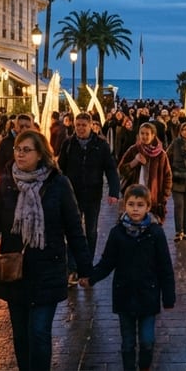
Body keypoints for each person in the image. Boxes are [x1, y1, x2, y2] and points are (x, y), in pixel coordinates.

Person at [0, 129, 92, 371]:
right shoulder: (6, 183)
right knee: (21, 335)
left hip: (48, 267)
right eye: (17, 149)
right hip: (15, 271)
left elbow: (74, 229)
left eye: (27, 150)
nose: (20, 154)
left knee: (38, 332)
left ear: (40, 154)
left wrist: (85, 268)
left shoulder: (58, 184)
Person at [86, 184, 175, 371]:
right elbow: (107, 263)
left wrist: (168, 297)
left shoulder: (155, 233)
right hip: (124, 296)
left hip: (148, 295)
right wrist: (91, 278)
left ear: (148, 207)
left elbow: (165, 267)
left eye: (140, 205)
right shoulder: (117, 233)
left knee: (147, 341)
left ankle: (144, 367)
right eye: (131, 204)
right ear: (124, 205)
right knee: (127, 343)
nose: (135, 209)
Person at [58, 112, 120, 285]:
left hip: (93, 194)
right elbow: (60, 168)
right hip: (72, 195)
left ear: (91, 125)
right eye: (77, 125)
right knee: (72, 230)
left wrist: (114, 191)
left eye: (83, 125)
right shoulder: (68, 144)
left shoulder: (100, 145)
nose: (80, 128)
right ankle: (71, 268)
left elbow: (110, 169)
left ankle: (86, 267)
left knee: (91, 231)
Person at [118, 122, 172, 223]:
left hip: (153, 197)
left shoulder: (161, 154)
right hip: (134, 194)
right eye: (142, 133)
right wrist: (134, 162)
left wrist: (164, 196)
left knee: (151, 226)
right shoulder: (134, 150)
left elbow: (167, 176)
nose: (144, 136)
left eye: (147, 134)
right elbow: (121, 170)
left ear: (153, 135)